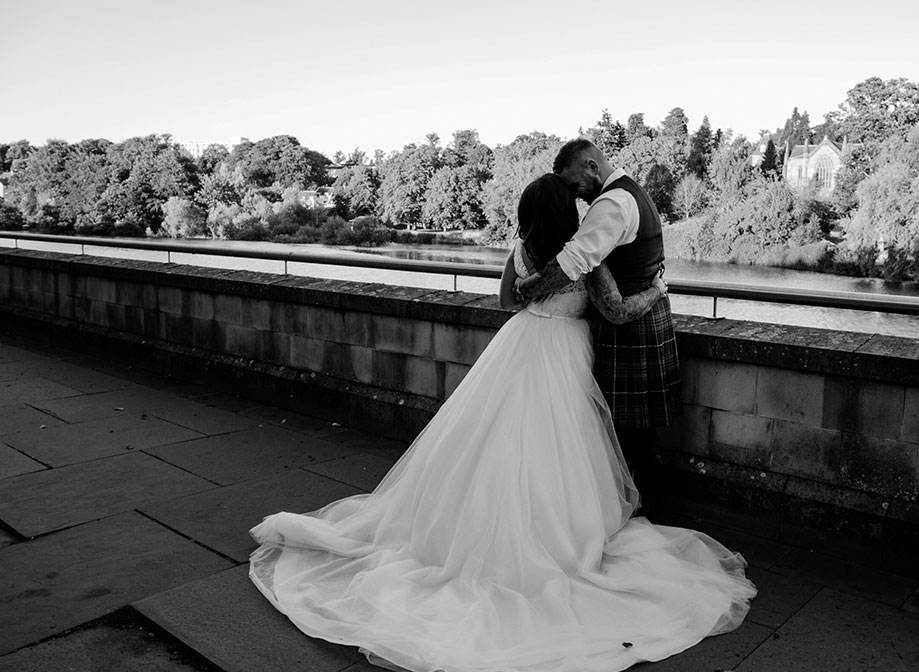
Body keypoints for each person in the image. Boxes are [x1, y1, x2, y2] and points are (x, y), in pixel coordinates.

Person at [249, 174, 755, 672]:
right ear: (567, 212)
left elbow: (506, 301)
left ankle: (476, 534)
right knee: (558, 450)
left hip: (519, 344)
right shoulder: (581, 258)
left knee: (499, 442)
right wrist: (658, 290)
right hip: (563, 354)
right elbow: (618, 311)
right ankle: (557, 539)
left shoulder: (522, 250)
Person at [515, 139, 682, 510]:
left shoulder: (612, 204)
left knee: (627, 432)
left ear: (592, 166)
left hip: (630, 323)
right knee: (631, 432)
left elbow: (575, 261)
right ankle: (633, 507)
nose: (574, 196)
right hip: (640, 315)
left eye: (574, 185)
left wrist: (529, 286)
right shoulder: (630, 193)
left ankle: (637, 508)